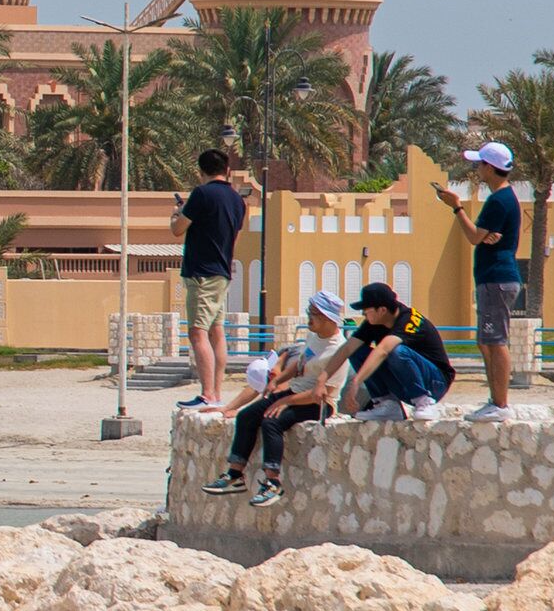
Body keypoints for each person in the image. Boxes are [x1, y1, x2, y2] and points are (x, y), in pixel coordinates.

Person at [205, 290, 351, 507]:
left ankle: (272, 482)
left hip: (319, 404)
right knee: (247, 416)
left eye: (313, 313)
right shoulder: (314, 336)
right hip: (295, 392)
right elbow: (300, 363)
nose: (308, 317)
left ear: (328, 318)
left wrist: (284, 402)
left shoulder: (337, 350)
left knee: (272, 422)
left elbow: (320, 395)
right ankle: (234, 475)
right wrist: (278, 380)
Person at [434, 141, 524, 420]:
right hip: (492, 278)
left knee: (495, 341)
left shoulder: (498, 200)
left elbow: (474, 237)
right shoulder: (504, 199)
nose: (477, 169)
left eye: (480, 164)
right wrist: (486, 235)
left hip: (497, 279)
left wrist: (456, 207)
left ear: (490, 167)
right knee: (486, 342)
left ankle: (500, 405)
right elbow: (484, 235)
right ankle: (495, 401)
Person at [170, 150, 252, 408]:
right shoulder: (239, 202)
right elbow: (234, 238)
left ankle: (207, 394)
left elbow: (177, 229)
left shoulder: (201, 194)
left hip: (201, 274)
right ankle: (216, 391)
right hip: (222, 272)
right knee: (217, 331)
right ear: (227, 170)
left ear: (201, 171)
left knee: (198, 332)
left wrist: (177, 213)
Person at [341, 282, 455, 421]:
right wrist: (322, 380)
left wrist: (356, 381)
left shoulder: (408, 320)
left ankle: (423, 402)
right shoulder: (374, 322)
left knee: (396, 351)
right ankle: (388, 405)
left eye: (366, 309)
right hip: (404, 382)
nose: (363, 313)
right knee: (357, 351)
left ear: (382, 310)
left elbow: (383, 349)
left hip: (435, 382)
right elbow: (347, 348)